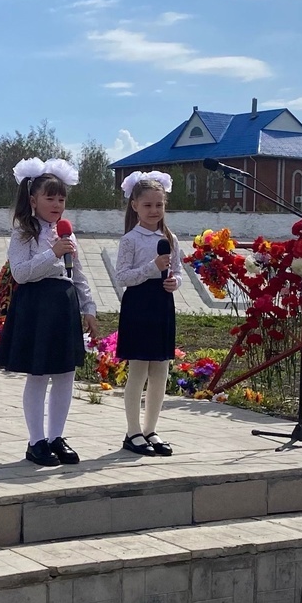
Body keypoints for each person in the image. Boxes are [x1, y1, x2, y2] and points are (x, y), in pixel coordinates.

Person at [0, 157, 97, 467]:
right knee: (38, 374)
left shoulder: (67, 234)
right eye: (49, 197)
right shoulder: (23, 234)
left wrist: (88, 307)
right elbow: (21, 274)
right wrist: (52, 254)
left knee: (66, 373)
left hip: (63, 304)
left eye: (61, 198)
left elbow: (77, 274)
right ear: (33, 199)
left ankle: (56, 437)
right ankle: (35, 441)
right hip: (36, 304)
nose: (56, 204)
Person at [115, 171, 182, 456]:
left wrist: (173, 282)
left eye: (159, 205)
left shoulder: (170, 237)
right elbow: (122, 276)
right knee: (138, 370)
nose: (154, 211)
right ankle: (132, 432)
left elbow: (178, 271)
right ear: (135, 206)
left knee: (160, 371)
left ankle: (150, 429)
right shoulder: (130, 239)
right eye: (148, 205)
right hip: (139, 304)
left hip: (162, 303)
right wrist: (152, 268)